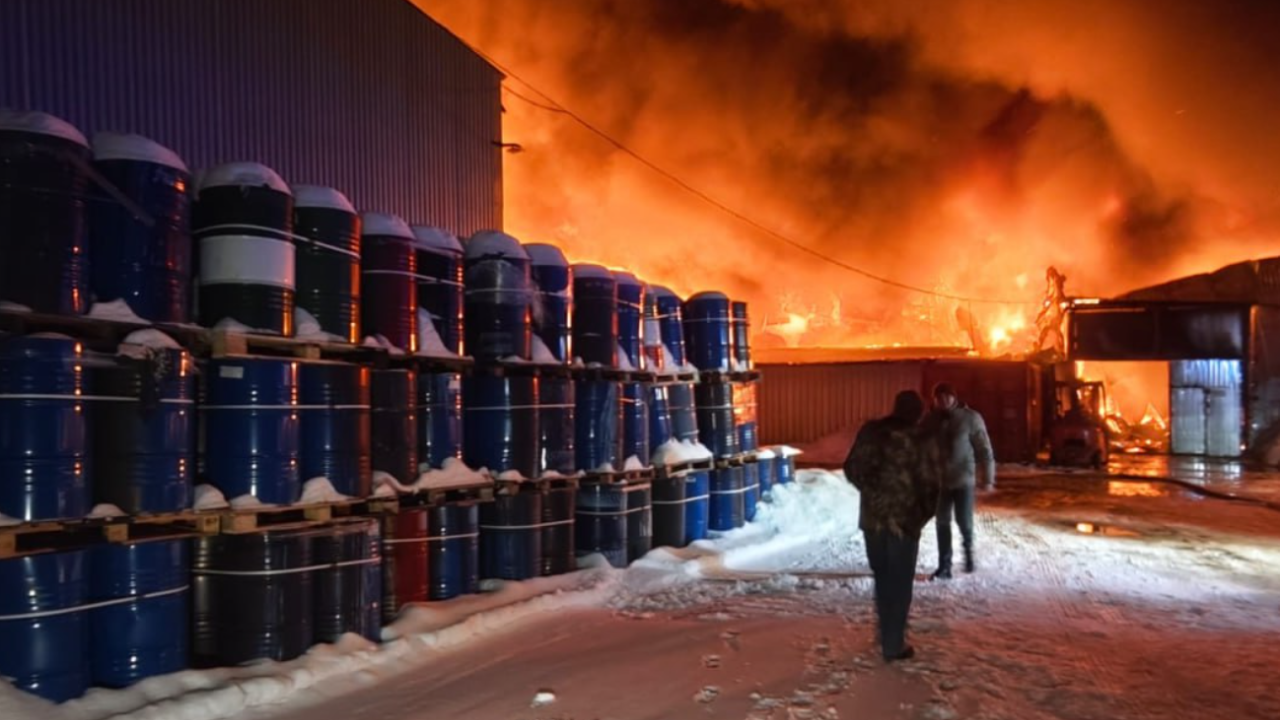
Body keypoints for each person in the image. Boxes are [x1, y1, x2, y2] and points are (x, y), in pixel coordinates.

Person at [844, 390, 942, 662]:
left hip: (873, 520)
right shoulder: (921, 440)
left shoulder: (871, 433)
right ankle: (893, 643)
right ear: (918, 413)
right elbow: (932, 484)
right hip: (904, 523)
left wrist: (873, 492)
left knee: (883, 576)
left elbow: (852, 467)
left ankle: (886, 632)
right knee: (899, 582)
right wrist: (920, 514)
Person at [924, 383, 996, 580]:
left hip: (963, 479)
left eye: (947, 397)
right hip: (940, 481)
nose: (943, 401)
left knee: (964, 520)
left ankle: (968, 552)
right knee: (942, 522)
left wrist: (988, 478)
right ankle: (944, 566)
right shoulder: (931, 420)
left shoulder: (970, 419)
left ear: (954, 398)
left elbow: (984, 449)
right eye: (939, 398)